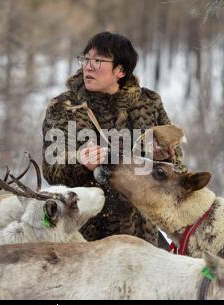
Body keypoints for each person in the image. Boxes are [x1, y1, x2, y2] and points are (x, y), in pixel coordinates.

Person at [42, 32, 183, 247]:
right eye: (86, 59)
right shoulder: (64, 107)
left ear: (121, 71)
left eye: (98, 61)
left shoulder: (149, 103)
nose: (88, 66)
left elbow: (177, 166)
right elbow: (51, 168)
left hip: (141, 236)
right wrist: (80, 161)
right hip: (85, 237)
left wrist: (163, 157)